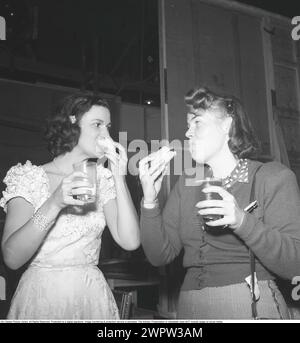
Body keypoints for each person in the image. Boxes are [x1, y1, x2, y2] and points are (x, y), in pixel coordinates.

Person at [138, 86, 300, 319]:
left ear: (227, 125)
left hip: (247, 305)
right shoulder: (187, 183)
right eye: (187, 125)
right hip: (190, 308)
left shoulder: (272, 177)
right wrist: (150, 200)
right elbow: (159, 256)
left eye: (197, 123)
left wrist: (243, 221)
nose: (187, 132)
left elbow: (296, 264)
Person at [0, 92, 140, 319]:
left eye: (108, 126)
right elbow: (12, 258)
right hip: (42, 297)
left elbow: (130, 241)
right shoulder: (29, 176)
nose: (107, 135)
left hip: (91, 297)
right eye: (98, 125)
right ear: (71, 124)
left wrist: (118, 176)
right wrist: (54, 203)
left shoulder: (103, 179)